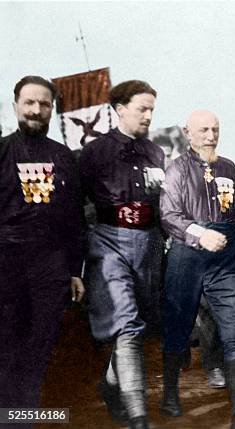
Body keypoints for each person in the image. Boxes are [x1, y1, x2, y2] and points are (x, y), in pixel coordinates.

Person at [160, 109, 235, 429]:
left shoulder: (229, 168)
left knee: (233, 328)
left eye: (215, 129)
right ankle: (169, 396)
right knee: (178, 327)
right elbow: (168, 215)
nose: (210, 135)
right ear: (187, 132)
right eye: (203, 130)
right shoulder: (176, 169)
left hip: (225, 258)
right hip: (187, 255)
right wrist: (199, 234)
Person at [80, 80, 165, 429]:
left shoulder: (156, 153)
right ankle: (138, 416)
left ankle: (110, 385)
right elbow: (76, 205)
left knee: (138, 326)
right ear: (119, 109)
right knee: (126, 323)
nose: (148, 116)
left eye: (151, 110)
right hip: (109, 242)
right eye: (142, 109)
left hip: (148, 243)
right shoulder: (93, 152)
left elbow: (164, 205)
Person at [0, 76, 85, 424]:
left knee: (40, 346)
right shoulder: (2, 151)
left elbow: (75, 218)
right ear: (16, 104)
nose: (36, 110)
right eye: (30, 103)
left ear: (52, 108)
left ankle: (24, 418)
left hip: (50, 266)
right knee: (7, 346)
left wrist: (76, 271)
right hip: (6, 263)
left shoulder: (63, 156)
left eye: (44, 104)